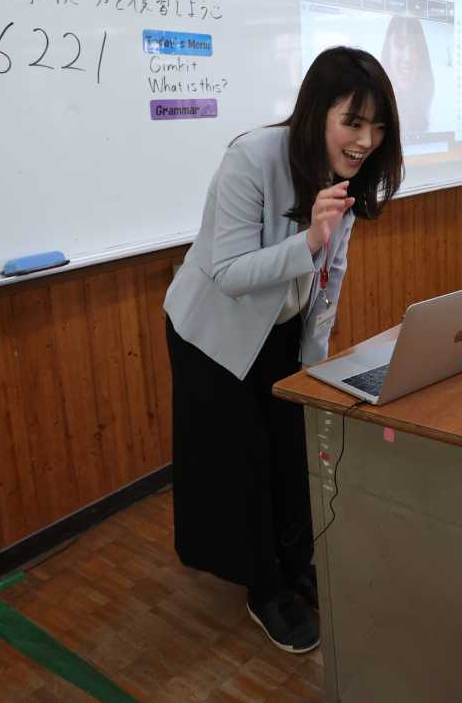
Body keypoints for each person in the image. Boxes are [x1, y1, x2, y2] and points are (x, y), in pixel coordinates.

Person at [163, 46, 403, 654]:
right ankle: (264, 587)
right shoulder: (251, 157)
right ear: (318, 111)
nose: (365, 139)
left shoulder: (343, 172)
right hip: (215, 337)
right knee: (243, 464)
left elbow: (334, 270)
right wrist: (310, 238)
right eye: (353, 122)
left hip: (284, 332)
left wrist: (315, 360)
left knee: (291, 451)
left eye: (377, 127)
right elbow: (229, 270)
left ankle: (297, 563)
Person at [379, 14, 435, 135]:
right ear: (388, 51)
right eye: (399, 44)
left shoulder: (426, 112)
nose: (408, 57)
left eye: (415, 48)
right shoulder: (376, 107)